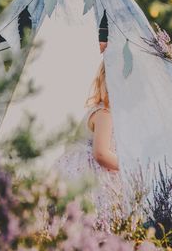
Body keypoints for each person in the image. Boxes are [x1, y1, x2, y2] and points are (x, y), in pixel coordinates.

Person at [53, 60, 125, 231]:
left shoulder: (98, 110)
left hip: (71, 171)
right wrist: (126, 165)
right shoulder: (105, 114)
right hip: (88, 176)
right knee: (92, 219)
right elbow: (101, 154)